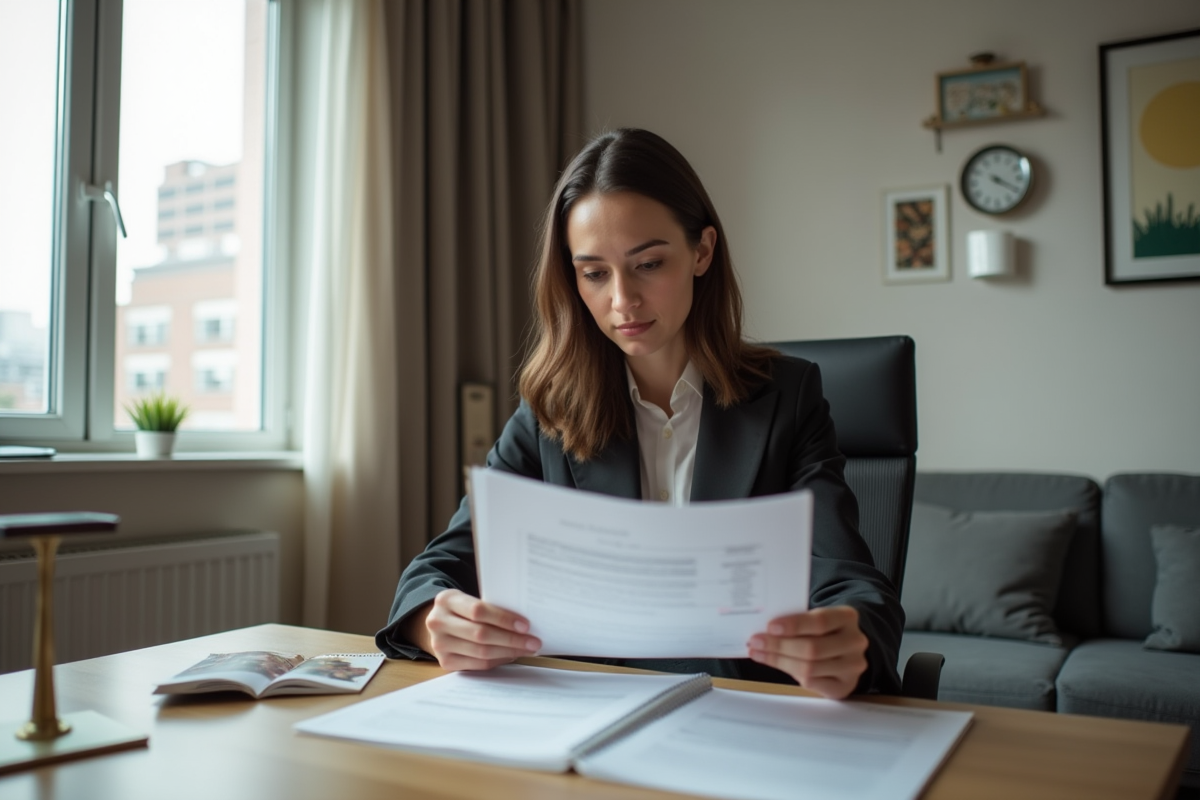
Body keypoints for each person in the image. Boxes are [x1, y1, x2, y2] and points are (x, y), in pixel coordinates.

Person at [376, 128, 904, 699]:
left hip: (743, 711)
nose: (622, 300)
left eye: (648, 264)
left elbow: (847, 579)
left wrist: (851, 638)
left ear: (702, 252)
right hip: (586, 713)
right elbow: (441, 566)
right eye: (594, 273)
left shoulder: (789, 397)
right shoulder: (549, 411)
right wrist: (434, 622)